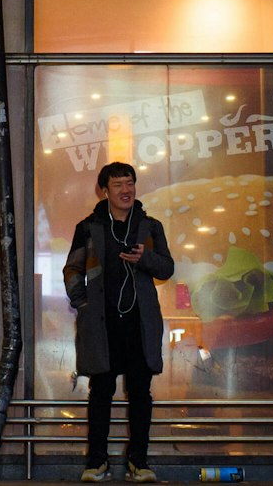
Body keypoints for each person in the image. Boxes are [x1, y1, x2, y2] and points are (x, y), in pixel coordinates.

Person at [63, 161, 174, 483]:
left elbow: (166, 268)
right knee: (101, 391)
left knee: (141, 392)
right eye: (118, 185)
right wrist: (81, 302)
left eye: (130, 184)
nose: (126, 190)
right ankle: (96, 462)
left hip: (139, 322)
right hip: (102, 323)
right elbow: (72, 268)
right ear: (104, 191)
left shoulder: (149, 226)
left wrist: (145, 259)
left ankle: (138, 462)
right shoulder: (89, 227)